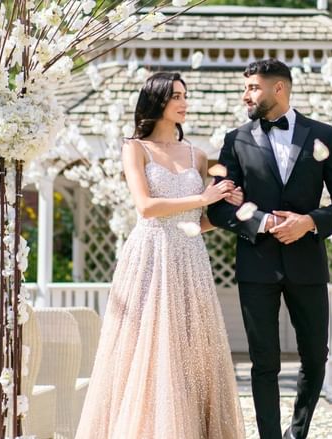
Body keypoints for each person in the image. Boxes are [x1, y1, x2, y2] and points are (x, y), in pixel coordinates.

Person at [75, 72, 245, 439]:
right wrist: (202, 198)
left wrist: (228, 207)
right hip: (150, 253)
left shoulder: (197, 155)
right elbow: (146, 206)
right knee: (148, 345)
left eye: (185, 95)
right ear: (157, 102)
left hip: (189, 255)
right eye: (176, 97)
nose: (184, 103)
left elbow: (201, 221)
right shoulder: (134, 148)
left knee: (190, 348)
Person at [206, 59, 332, 439]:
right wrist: (265, 221)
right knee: (263, 362)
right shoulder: (235, 140)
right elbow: (218, 207)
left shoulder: (324, 135)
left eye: (253, 88)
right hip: (255, 265)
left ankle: (298, 432)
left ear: (279, 89)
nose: (246, 96)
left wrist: (308, 222)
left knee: (315, 357)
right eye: (245, 89)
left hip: (307, 263)